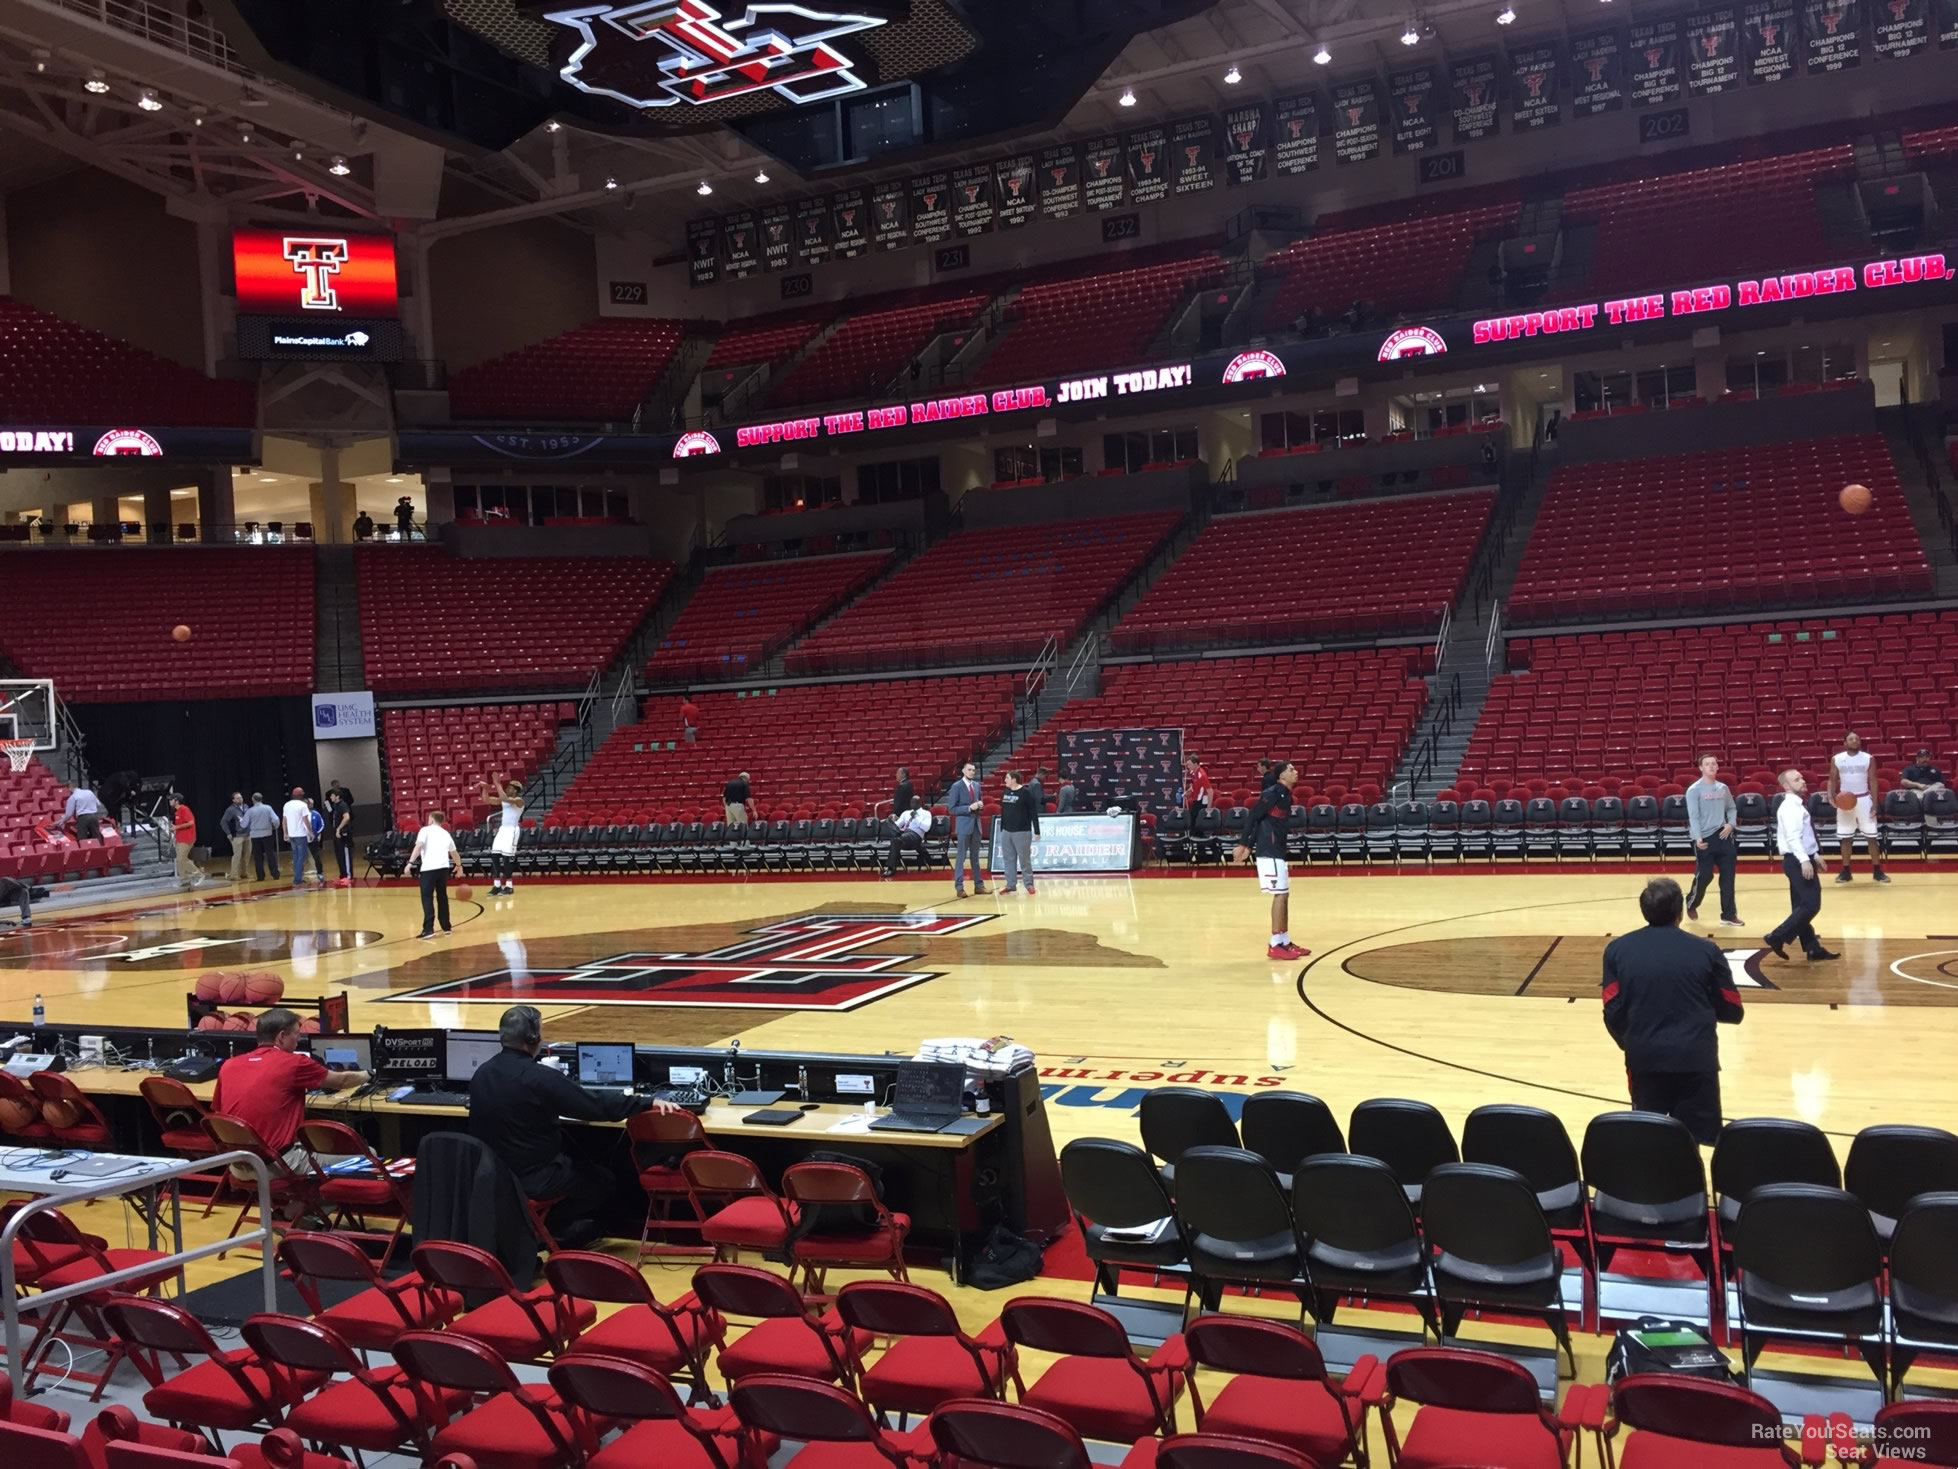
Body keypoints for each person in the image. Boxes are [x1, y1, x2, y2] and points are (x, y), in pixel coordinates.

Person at [469, 1004, 674, 1251]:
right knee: (603, 1181)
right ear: (532, 1038)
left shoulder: (481, 1074)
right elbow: (594, 1106)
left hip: (493, 1176)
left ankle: (536, 1229)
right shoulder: (539, 1077)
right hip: (536, 1179)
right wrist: (646, 1101)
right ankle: (543, 1230)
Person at [1600, 878, 1744, 1145]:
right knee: (1696, 1140)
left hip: (1644, 1059)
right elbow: (1733, 1008)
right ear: (1680, 912)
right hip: (1695, 1059)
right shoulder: (1707, 951)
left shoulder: (1617, 950)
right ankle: (1695, 1187)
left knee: (1648, 1137)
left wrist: (1632, 1042)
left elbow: (1611, 1008)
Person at [213, 1008, 369, 1165]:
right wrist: (370, 1074)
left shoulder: (228, 1065)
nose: (299, 1038)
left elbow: (217, 1112)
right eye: (296, 1033)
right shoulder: (294, 1063)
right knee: (369, 1155)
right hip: (278, 1162)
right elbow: (342, 1081)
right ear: (281, 1036)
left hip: (236, 1164)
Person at [1232, 760, 1309, 960]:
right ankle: (1275, 943)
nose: (1296, 772)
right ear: (1282, 776)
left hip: (1278, 849)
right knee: (1279, 895)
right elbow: (1254, 817)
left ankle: (1284, 940)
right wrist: (1244, 845)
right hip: (1269, 848)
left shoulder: (1286, 795)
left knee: (1284, 895)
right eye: (1291, 770)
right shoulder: (1272, 793)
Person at [1765, 769, 1839, 963]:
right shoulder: (1790, 807)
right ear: (1787, 786)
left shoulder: (1796, 805)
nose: (1803, 780)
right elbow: (1793, 837)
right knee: (1811, 905)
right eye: (1797, 779)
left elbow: (1804, 836)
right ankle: (1777, 936)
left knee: (1800, 906)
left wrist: (1814, 855)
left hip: (1799, 857)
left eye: (1802, 777)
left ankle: (1812, 948)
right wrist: (1804, 860)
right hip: (1797, 860)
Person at [1683, 754, 1741, 927]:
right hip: (1705, 838)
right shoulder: (1694, 790)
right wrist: (1697, 837)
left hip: (1724, 836)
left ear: (1717, 767)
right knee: (1705, 876)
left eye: (1714, 764)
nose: (1711, 766)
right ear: (1701, 768)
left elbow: (1731, 808)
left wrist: (1731, 824)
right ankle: (1691, 902)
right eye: (1707, 764)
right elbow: (1693, 816)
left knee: (1728, 878)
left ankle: (1729, 915)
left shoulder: (1723, 788)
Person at [1827, 731, 1888, 884]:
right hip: (1845, 800)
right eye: (1851, 739)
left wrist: (1875, 803)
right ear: (1845, 743)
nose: (1854, 740)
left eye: (1857, 738)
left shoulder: (1868, 758)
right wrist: (1830, 796)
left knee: (1871, 837)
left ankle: (1877, 871)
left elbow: (1873, 781)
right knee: (1846, 838)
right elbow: (1832, 779)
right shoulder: (1837, 759)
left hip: (1863, 799)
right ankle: (1846, 871)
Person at [408, 808, 463, 939]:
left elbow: (419, 846)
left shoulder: (425, 830)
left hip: (428, 869)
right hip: (443, 868)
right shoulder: (445, 833)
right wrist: (459, 866)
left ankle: (428, 929)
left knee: (427, 897)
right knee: (442, 897)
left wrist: (410, 862)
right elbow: (454, 852)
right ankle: (446, 927)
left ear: (431, 819)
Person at [481, 773, 525, 897]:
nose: (507, 789)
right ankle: (497, 885)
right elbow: (487, 800)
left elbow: (506, 799)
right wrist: (485, 789)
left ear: (516, 791)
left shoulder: (519, 800)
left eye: (510, 788)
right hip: (502, 830)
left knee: (507, 858)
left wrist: (497, 784)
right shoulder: (505, 799)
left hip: (512, 830)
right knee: (494, 856)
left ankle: (509, 886)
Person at [997, 770, 1040, 896]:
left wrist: (1036, 831)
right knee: (1008, 859)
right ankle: (1011, 885)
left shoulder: (1025, 793)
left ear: (1014, 779)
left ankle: (1029, 884)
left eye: (1007, 778)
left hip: (1022, 831)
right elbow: (1004, 811)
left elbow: (1033, 812)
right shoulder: (1005, 792)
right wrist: (1003, 828)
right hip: (1007, 831)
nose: (1005, 780)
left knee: (1024, 859)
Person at [947, 761, 986, 897]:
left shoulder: (976, 785)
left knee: (975, 858)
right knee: (961, 857)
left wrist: (981, 805)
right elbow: (952, 809)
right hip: (964, 826)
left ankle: (979, 885)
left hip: (976, 825)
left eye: (974, 770)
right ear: (963, 771)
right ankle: (959, 887)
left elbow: (980, 803)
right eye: (969, 770)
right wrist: (969, 808)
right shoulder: (956, 786)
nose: (972, 772)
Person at [882, 796, 933, 879]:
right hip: (903, 834)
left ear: (919, 803)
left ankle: (891, 868)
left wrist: (916, 817)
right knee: (889, 824)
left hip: (915, 835)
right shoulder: (906, 813)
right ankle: (891, 868)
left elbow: (926, 828)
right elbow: (897, 826)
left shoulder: (926, 813)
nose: (912, 804)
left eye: (914, 802)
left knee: (895, 840)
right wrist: (893, 821)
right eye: (911, 802)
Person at [282, 786, 316, 887]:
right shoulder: (302, 805)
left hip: (292, 834)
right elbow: (305, 820)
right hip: (301, 834)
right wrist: (310, 832)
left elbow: (284, 820)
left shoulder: (287, 805)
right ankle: (297, 879)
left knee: (296, 856)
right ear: (302, 795)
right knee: (302, 856)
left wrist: (285, 832)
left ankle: (297, 877)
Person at [171, 792, 204, 889]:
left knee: (182, 858)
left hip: (187, 838)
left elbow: (191, 822)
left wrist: (177, 827)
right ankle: (184, 879)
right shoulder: (177, 811)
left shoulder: (184, 809)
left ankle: (198, 874)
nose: (170, 801)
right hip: (180, 838)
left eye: (171, 799)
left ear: (176, 801)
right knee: (179, 860)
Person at [245, 792, 279, 880]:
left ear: (253, 799)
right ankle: (275, 874)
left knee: (258, 856)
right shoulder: (268, 808)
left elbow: (244, 824)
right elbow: (275, 819)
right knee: (270, 854)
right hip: (267, 834)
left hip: (255, 836)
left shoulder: (250, 811)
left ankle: (260, 876)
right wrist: (275, 826)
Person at [221, 791, 249, 883]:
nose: (240, 799)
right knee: (237, 855)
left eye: (241, 797)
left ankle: (244, 873)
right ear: (233, 800)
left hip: (248, 835)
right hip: (237, 836)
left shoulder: (246, 807)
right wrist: (228, 833)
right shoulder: (230, 810)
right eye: (237, 798)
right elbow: (223, 822)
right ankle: (234, 874)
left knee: (247, 855)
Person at [330, 788, 355, 885]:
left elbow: (347, 817)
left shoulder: (343, 805)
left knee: (346, 854)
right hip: (337, 833)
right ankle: (343, 875)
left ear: (337, 796)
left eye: (332, 796)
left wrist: (339, 828)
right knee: (339, 854)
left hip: (344, 832)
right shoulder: (335, 806)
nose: (330, 797)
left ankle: (349, 876)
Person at [1183, 756, 1215, 824]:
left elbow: (1210, 791)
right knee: (1193, 819)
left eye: (1189, 764)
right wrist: (1189, 792)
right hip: (1195, 800)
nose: (1188, 767)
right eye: (1187, 765)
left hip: (1202, 801)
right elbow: (1193, 785)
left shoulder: (1202, 775)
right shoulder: (1192, 773)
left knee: (1198, 822)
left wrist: (1208, 807)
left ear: (1195, 764)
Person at [306, 798, 328, 880]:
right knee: (301, 856)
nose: (311, 805)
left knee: (316, 855)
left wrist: (316, 834)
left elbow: (322, 825)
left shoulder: (315, 814)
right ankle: (300, 874)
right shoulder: (301, 814)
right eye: (309, 803)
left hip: (313, 839)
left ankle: (320, 872)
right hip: (303, 839)